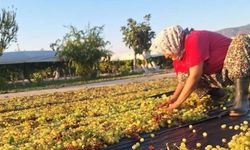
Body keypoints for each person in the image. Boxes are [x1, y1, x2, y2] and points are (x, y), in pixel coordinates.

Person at [150, 25, 250, 117]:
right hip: (222, 74)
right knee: (184, 76)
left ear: (172, 43)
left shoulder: (194, 39)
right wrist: (173, 99)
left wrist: (176, 105)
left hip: (238, 66)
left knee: (240, 40)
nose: (166, 56)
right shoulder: (178, 56)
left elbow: (195, 76)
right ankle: (219, 96)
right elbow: (182, 81)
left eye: (166, 50)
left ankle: (242, 102)